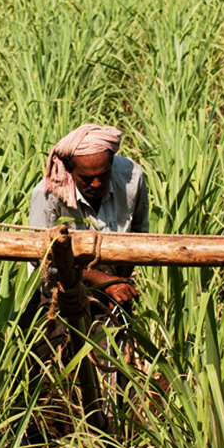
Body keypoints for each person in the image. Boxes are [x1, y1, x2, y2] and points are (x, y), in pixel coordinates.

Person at [28, 122, 149, 315]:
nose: (96, 184)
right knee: (54, 341)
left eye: (103, 175)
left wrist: (119, 283)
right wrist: (99, 279)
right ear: (69, 170)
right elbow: (41, 261)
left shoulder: (131, 178)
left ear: (112, 162)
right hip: (55, 292)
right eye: (85, 178)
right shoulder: (48, 193)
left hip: (112, 287)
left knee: (112, 342)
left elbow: (138, 233)